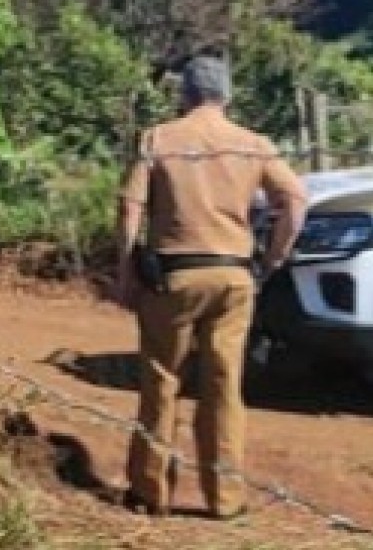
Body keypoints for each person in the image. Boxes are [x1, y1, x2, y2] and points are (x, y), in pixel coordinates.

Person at [115, 56, 307, 521]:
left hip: (173, 277)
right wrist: (272, 259)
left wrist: (125, 272)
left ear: (185, 94)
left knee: (162, 380)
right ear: (228, 95)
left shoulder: (159, 139)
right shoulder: (253, 145)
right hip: (234, 275)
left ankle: (150, 491)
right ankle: (225, 498)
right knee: (224, 385)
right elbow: (296, 201)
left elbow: (129, 209)